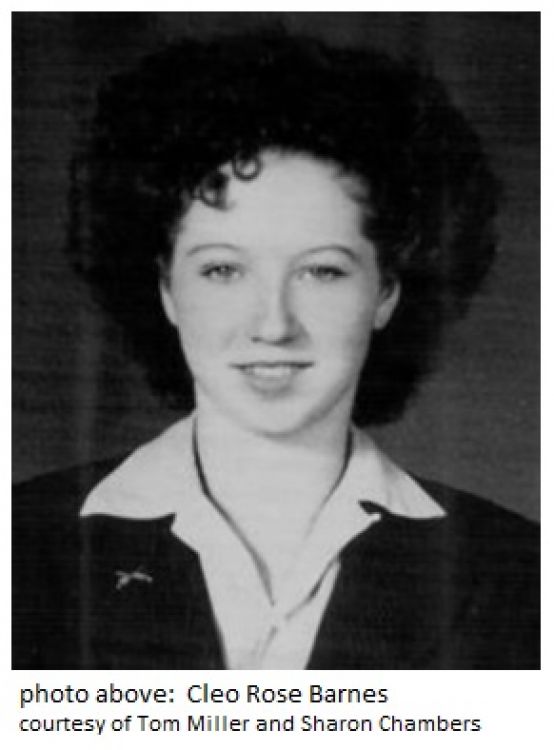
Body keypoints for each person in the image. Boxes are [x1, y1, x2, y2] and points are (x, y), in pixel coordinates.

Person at [12, 31, 539, 669]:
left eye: (321, 271)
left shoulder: (517, 575)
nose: (273, 324)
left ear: (387, 292)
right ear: (166, 290)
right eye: (222, 270)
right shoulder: (23, 546)